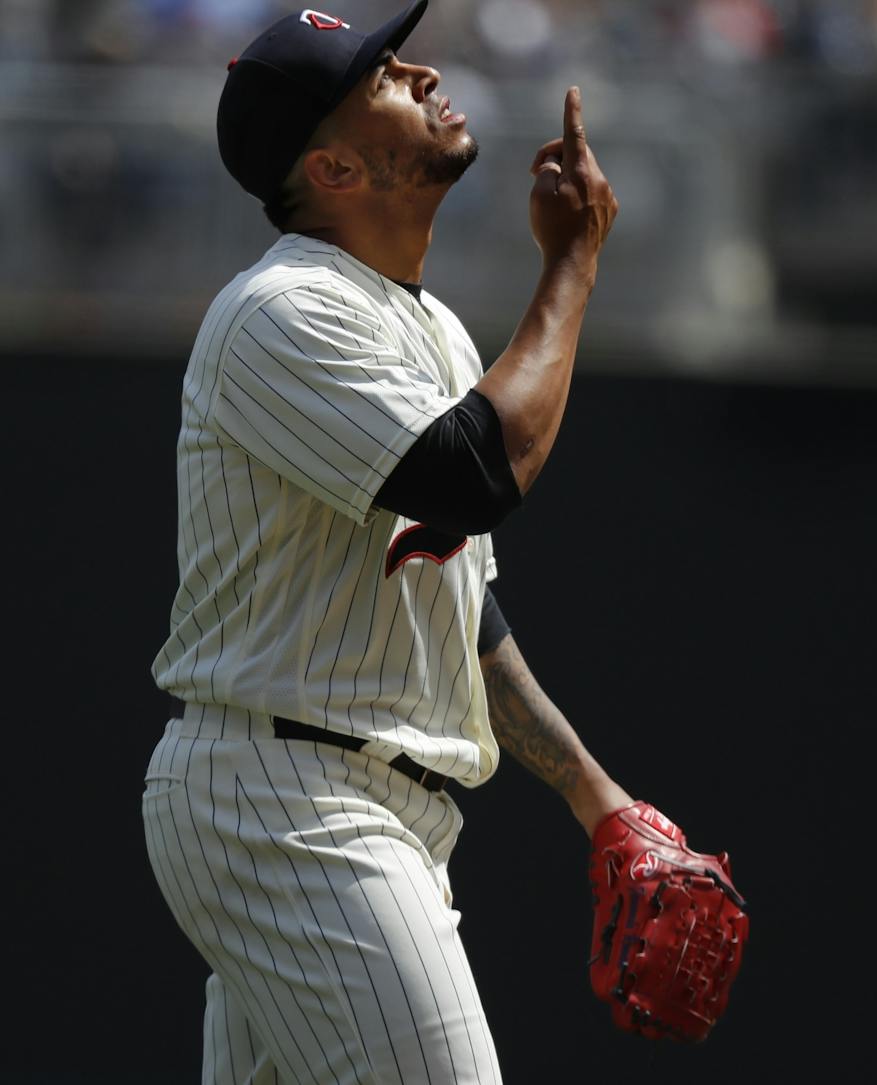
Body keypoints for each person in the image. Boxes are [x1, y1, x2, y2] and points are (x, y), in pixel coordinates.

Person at [140, 3, 629, 1081]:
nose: (416, 69)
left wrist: (600, 798)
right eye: (377, 75)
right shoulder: (282, 308)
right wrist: (572, 268)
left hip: (354, 799)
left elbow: (467, 611)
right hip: (287, 799)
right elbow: (474, 471)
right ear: (334, 169)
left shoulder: (432, 329)